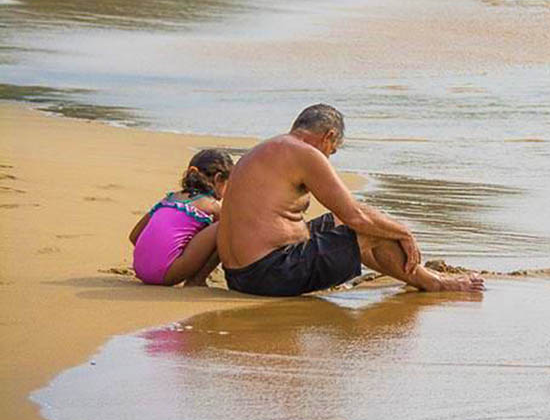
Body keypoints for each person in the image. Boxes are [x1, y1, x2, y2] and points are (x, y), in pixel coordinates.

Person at [217, 104, 485, 296]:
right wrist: (404, 232)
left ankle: (420, 278)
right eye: (332, 151)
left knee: (346, 222)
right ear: (329, 136)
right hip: (270, 275)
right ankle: (434, 282)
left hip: (240, 276)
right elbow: (356, 216)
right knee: (374, 230)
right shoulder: (306, 154)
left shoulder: (266, 149)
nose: (329, 158)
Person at [129, 150, 232, 286]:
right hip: (167, 274)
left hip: (141, 271)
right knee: (227, 226)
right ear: (218, 179)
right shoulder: (212, 206)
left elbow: (134, 236)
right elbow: (222, 241)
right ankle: (197, 280)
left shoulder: (169, 199)